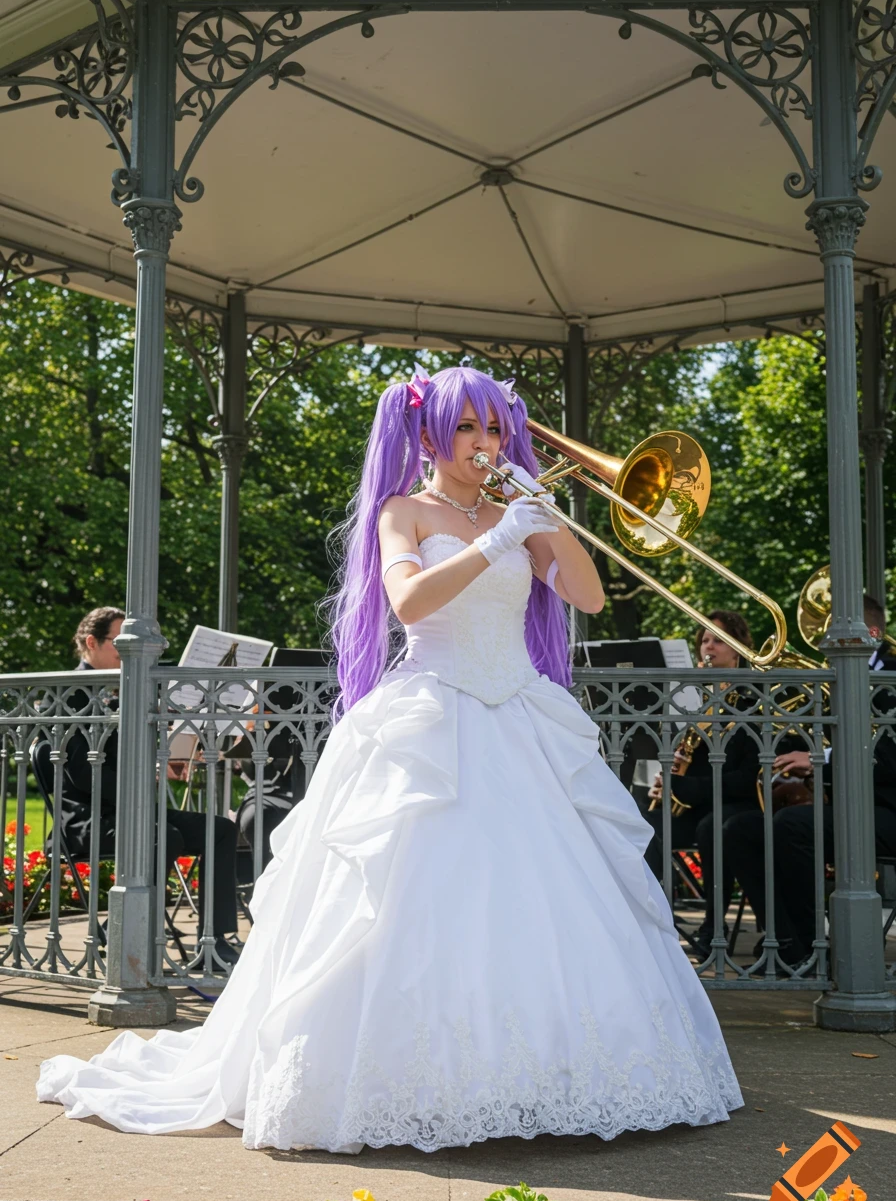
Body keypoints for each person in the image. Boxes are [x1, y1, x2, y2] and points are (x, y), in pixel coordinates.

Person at [38, 367, 742, 1152]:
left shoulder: (518, 510)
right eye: (469, 429)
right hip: (430, 713)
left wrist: (550, 523)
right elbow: (408, 603)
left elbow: (588, 597)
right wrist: (501, 540)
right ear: (434, 435)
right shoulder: (402, 510)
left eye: (496, 429)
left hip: (518, 716)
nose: (486, 444)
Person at [60, 607, 241, 966]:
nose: (127, 652)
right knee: (165, 836)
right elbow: (80, 774)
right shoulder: (70, 692)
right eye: (120, 643)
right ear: (91, 642)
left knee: (220, 830)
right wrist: (143, 780)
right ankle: (121, 931)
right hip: (87, 817)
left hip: (133, 809)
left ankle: (213, 941)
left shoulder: (122, 688)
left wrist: (162, 763)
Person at [723, 595, 896, 968]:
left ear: (871, 632)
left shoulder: (890, 676)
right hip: (853, 804)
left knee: (792, 827)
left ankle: (816, 948)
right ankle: (790, 945)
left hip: (887, 810)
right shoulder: (847, 677)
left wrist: (821, 760)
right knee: (739, 830)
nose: (823, 642)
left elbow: (889, 761)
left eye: (836, 630)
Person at [642, 611, 760, 961]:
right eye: (704, 640)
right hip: (703, 801)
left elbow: (746, 778)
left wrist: (685, 786)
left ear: (738, 650)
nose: (708, 646)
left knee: (713, 829)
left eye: (718, 640)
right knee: (644, 825)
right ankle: (654, 921)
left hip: (740, 803)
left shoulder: (753, 699)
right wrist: (669, 782)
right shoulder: (699, 701)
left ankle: (714, 927)